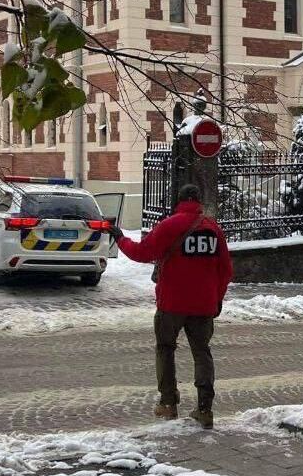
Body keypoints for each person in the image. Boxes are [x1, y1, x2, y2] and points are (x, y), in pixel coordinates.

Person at [115, 184, 232, 429]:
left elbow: (143, 252)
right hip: (203, 304)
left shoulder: (171, 225)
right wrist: (217, 298)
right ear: (199, 201)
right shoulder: (213, 229)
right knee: (202, 352)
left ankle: (168, 402)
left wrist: (120, 239)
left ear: (178, 200)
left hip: (172, 303)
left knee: (165, 348)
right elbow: (226, 270)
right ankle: (205, 408)